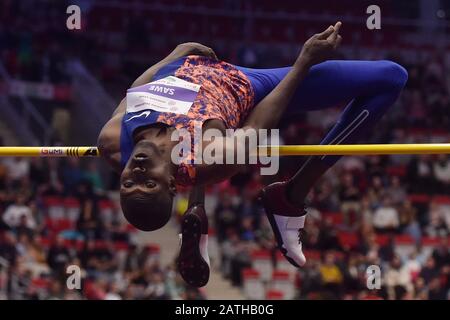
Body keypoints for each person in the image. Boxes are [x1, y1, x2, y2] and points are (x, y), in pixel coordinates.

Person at [98, 22, 408, 286]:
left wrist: (177, 52)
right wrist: (304, 61)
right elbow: (260, 123)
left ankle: (199, 212)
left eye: (128, 184)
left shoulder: (112, 142)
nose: (137, 174)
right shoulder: (211, 157)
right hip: (246, 85)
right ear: (169, 185)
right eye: (148, 184)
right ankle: (292, 195)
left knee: (200, 144)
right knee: (391, 77)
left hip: (189, 74)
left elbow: (138, 89)